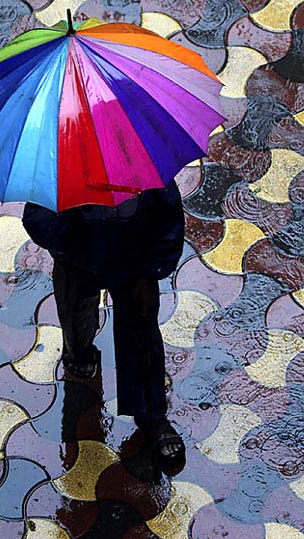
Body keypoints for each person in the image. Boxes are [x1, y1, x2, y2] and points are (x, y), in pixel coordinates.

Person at [22, 182, 185, 460]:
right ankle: (79, 352)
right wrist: (68, 226)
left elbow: (167, 216)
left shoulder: (144, 170)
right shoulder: (57, 171)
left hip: (134, 262)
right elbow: (37, 220)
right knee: (75, 318)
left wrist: (153, 268)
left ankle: (152, 417)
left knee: (141, 335)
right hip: (77, 260)